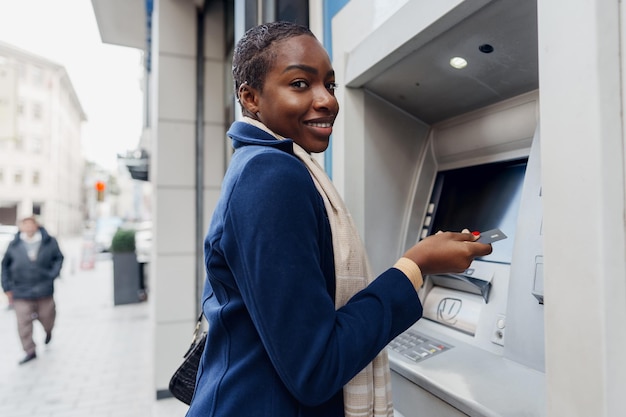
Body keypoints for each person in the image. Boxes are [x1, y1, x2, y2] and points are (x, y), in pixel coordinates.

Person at [185, 21, 492, 417]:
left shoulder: (260, 165)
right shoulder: (272, 175)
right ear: (251, 97)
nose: (327, 100)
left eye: (329, 85)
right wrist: (416, 266)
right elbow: (316, 367)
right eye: (300, 84)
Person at [1, 216, 64, 365]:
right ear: (21, 227)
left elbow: (59, 258)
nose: (28, 228)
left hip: (44, 289)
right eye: (25, 225)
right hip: (21, 290)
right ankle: (30, 350)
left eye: (31, 224)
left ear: (36, 226)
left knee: (48, 317)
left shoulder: (48, 241)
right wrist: (6, 287)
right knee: (23, 323)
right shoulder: (14, 245)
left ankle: (48, 332)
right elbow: (4, 266)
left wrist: (52, 275)